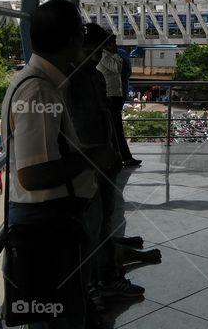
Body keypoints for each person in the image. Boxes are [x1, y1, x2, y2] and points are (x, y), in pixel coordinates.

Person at [1, 0, 107, 329]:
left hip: (46, 221)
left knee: (60, 312)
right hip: (48, 222)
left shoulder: (35, 83)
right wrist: (92, 157)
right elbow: (33, 175)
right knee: (60, 317)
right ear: (74, 39)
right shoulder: (38, 92)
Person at [72, 24, 144, 310]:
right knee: (94, 222)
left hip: (102, 159)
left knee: (104, 216)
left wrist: (111, 152)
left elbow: (102, 117)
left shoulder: (92, 76)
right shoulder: (74, 79)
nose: (97, 55)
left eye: (100, 49)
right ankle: (100, 283)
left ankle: (105, 274)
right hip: (88, 163)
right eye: (94, 49)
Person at [98, 34, 141, 168]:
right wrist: (117, 55)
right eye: (113, 42)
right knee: (115, 129)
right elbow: (118, 68)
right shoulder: (105, 56)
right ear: (107, 44)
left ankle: (122, 157)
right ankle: (121, 158)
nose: (115, 45)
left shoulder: (110, 55)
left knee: (116, 129)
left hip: (116, 95)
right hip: (111, 96)